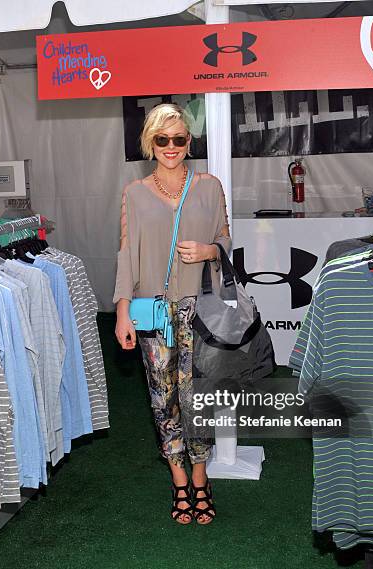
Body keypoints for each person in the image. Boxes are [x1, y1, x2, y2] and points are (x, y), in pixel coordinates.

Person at [113, 103, 231, 524]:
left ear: (188, 142)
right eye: (162, 139)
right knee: (163, 399)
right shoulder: (135, 193)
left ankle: (201, 479)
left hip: (201, 311)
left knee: (198, 398)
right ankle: (178, 480)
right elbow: (126, 254)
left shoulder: (209, 186)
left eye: (179, 139)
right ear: (150, 142)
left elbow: (226, 241)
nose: (171, 147)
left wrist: (209, 250)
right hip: (155, 314)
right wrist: (122, 311)